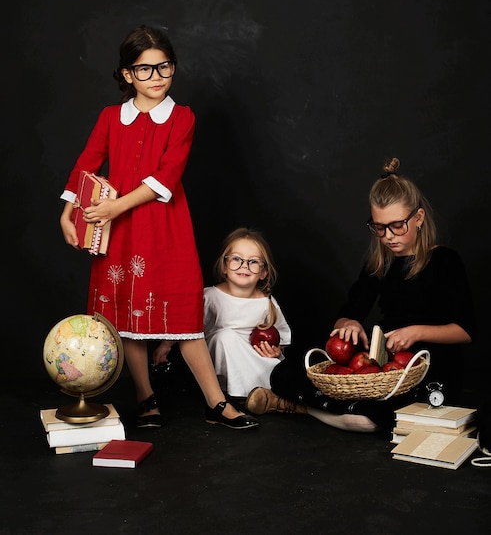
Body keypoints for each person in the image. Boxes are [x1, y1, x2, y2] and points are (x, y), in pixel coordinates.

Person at [59, 25, 258, 430]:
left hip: (165, 227)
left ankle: (216, 404)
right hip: (119, 233)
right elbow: (87, 162)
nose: (156, 78)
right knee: (128, 318)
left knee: (184, 317)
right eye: (145, 70)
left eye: (164, 67)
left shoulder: (182, 118)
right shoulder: (111, 117)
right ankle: (144, 397)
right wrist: (68, 208)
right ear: (127, 74)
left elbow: (166, 178)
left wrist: (114, 207)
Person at [246, 157, 475, 433]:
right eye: (379, 227)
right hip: (383, 367)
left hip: (431, 365)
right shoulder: (380, 263)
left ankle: (295, 406)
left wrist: (415, 332)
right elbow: (347, 314)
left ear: (419, 218)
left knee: (369, 419)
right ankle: (297, 402)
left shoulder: (445, 261)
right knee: (285, 372)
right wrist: (349, 324)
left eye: (397, 225)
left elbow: (465, 330)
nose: (388, 236)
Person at [204, 227, 292, 400]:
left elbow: (281, 336)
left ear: (263, 272)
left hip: (254, 357)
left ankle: (266, 394)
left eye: (253, 262)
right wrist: (166, 346)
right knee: (225, 336)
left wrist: (275, 351)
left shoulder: (266, 303)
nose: (244, 265)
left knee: (282, 372)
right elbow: (189, 329)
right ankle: (240, 394)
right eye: (236, 259)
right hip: (220, 360)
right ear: (224, 266)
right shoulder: (210, 296)